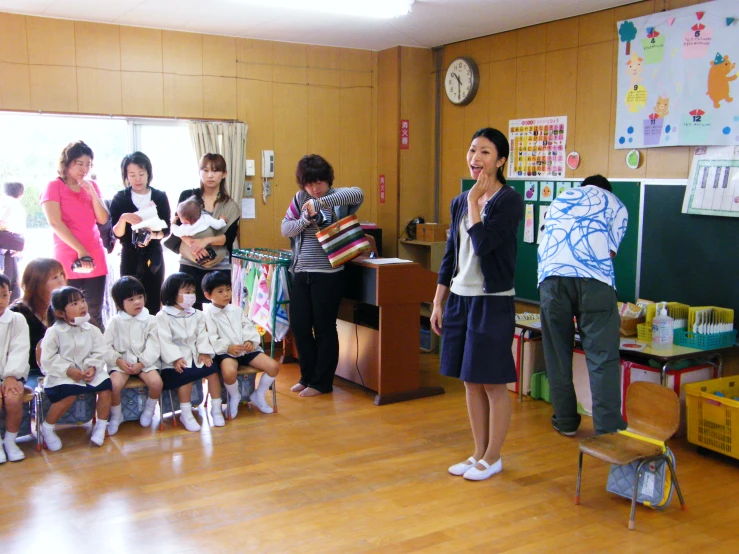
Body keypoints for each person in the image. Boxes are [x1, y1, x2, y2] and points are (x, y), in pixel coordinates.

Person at [431, 128, 524, 481]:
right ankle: (477, 453)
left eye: (485, 152)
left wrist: (474, 203)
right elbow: (451, 256)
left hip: (492, 302)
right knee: (470, 381)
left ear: (500, 161)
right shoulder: (459, 201)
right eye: (472, 151)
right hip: (460, 299)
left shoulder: (509, 201)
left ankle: (493, 456)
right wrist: (439, 301)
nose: (476, 159)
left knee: (492, 382)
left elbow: (483, 245)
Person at [537, 174, 628, 437]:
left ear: (582, 187)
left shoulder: (559, 200)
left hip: (552, 280)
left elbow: (545, 243)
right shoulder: (616, 204)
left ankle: (564, 421)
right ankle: (607, 428)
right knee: (602, 358)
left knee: (557, 353)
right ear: (607, 190)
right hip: (595, 282)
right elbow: (608, 253)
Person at [281, 154, 364, 397]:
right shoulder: (300, 199)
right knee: (300, 326)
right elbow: (286, 228)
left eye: (319, 182)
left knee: (324, 328)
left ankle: (322, 382)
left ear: (327, 180)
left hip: (328, 275)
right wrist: (306, 218)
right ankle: (307, 377)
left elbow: (358, 193)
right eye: (309, 184)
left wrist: (319, 206)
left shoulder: (340, 198)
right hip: (301, 273)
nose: (314, 188)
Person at [41, 140, 109, 330]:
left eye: (88, 164)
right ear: (67, 163)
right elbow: (55, 222)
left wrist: (92, 193)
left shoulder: (92, 185)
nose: (84, 169)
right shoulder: (54, 186)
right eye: (79, 163)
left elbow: (103, 219)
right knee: (65, 309)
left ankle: (97, 356)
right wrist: (80, 250)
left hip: (95, 251)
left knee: (93, 310)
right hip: (68, 253)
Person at [39, 286, 112, 450]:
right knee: (69, 394)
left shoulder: (92, 329)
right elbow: (47, 359)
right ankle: (48, 428)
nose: (82, 306)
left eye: (82, 301)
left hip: (88, 372)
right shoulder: (54, 332)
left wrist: (93, 367)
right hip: (62, 374)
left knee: (106, 388)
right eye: (74, 303)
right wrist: (68, 370)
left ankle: (101, 425)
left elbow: (100, 351)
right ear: (60, 312)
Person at [202, 271, 279, 416]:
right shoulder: (207, 315)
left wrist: (250, 341)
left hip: (247, 350)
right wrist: (228, 347)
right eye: (220, 291)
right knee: (229, 372)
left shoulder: (236, 310)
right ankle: (235, 396)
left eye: (228, 290)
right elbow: (210, 338)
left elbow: (248, 327)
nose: (226, 294)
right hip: (225, 353)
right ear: (208, 295)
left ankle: (258, 395)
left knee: (273, 367)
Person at [170, 154, 240, 309]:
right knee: (187, 310)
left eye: (215, 171)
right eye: (206, 170)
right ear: (199, 172)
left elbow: (228, 238)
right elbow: (177, 224)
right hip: (190, 261)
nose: (210, 175)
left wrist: (206, 241)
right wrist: (193, 244)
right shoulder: (187, 196)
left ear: (224, 174)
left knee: (221, 312)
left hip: (219, 265)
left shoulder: (231, 206)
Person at [156, 272, 221, 431]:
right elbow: (165, 341)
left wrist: (204, 352)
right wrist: (175, 358)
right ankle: (186, 413)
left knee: (213, 371)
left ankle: (216, 409)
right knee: (186, 376)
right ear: (173, 293)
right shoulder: (163, 316)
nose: (191, 295)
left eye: (192, 291)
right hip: (175, 362)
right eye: (187, 292)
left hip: (196, 356)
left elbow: (202, 335)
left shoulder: (197, 314)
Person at [110, 152, 171, 315]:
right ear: (126, 176)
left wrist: (153, 235)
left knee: (153, 297)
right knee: (128, 297)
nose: (137, 179)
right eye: (132, 175)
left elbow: (166, 231)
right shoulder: (120, 198)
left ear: (148, 174)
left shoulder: (159, 196)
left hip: (153, 255)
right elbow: (116, 233)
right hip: (130, 255)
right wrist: (123, 219)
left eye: (141, 174)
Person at [103, 276, 163, 434]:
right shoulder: (114, 322)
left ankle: (149, 411)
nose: (137, 302)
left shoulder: (151, 320)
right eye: (131, 299)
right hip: (121, 363)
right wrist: (118, 361)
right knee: (113, 385)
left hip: (144, 363)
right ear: (120, 303)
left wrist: (142, 364)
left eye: (140, 297)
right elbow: (104, 346)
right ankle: (117, 415)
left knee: (156, 383)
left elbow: (154, 345)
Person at [10, 258, 67, 390]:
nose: (61, 280)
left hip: (62, 369)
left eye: (61, 274)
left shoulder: (65, 307)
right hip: (30, 372)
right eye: (54, 277)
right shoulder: (17, 313)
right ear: (38, 283)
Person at [0, 273, 30, 463]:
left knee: (12, 398)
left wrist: (11, 376)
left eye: (3, 295)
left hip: (13, 373)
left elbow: (20, 349)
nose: (0, 301)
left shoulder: (17, 319)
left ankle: (10, 440)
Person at [0, 182, 27, 302]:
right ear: (21, 193)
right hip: (9, 249)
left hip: (10, 249)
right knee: (9, 284)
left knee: (9, 284)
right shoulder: (13, 205)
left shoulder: (7, 204)